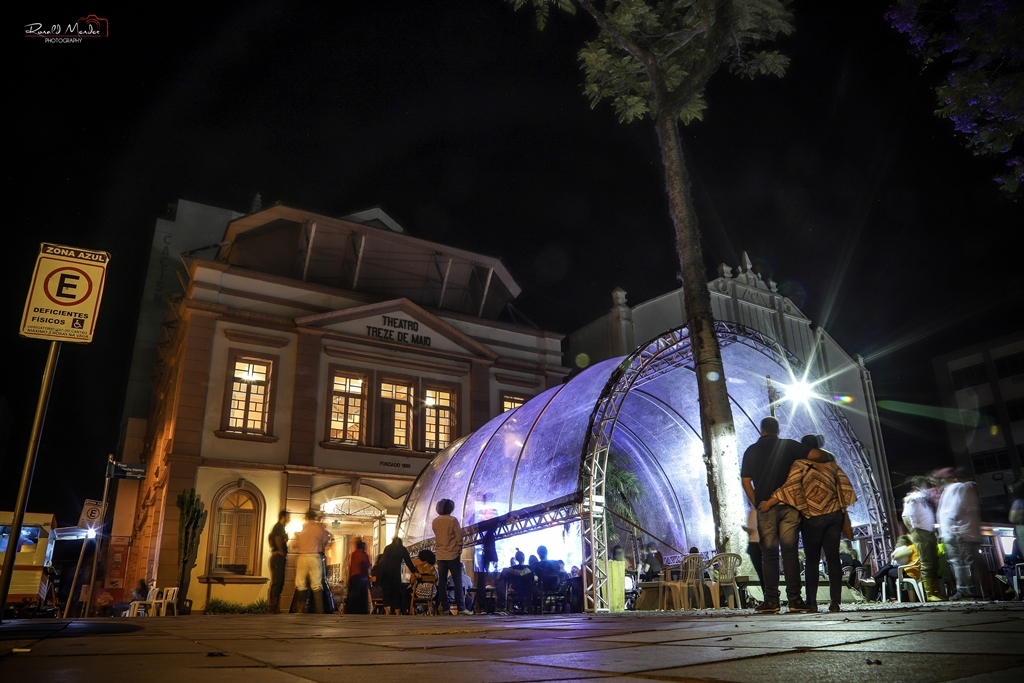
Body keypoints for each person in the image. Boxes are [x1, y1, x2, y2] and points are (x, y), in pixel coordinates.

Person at [764, 435, 855, 613]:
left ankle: (811, 602)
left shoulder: (801, 465)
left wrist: (767, 503)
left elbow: (788, 489)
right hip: (835, 515)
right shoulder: (831, 464)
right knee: (833, 559)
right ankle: (835, 602)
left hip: (813, 518)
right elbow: (845, 488)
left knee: (812, 560)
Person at [740, 416, 818, 614]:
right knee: (790, 552)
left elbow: (746, 480)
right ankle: (795, 600)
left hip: (766, 506)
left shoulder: (751, 450)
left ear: (761, 430)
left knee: (769, 554)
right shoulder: (789, 446)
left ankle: (772, 600)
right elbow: (814, 455)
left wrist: (756, 502)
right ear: (778, 430)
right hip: (790, 505)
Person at [936, 468, 983, 600]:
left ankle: (965, 591)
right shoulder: (969, 488)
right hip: (969, 531)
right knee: (972, 563)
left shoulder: (955, 488)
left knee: (959, 563)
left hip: (957, 532)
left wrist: (950, 529)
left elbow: (954, 510)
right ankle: (979, 591)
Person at [902, 476, 944, 601]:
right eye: (923, 485)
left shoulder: (924, 499)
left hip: (929, 532)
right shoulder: (912, 499)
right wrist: (914, 531)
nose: (926, 488)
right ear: (916, 487)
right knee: (927, 562)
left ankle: (936, 591)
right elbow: (905, 516)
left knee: (934, 563)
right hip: (920, 532)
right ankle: (930, 593)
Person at [431, 498, 470, 615]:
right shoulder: (453, 520)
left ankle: (445, 607)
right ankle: (461, 608)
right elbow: (459, 536)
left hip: (440, 555)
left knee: (442, 582)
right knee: (457, 581)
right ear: (451, 508)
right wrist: (459, 546)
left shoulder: (435, 521)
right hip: (453, 554)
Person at [292, 510, 331, 614]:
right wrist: (323, 546)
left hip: (302, 557)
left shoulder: (302, 529)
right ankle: (319, 611)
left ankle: (300, 609)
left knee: (300, 584)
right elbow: (327, 538)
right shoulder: (319, 528)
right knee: (316, 585)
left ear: (306, 518)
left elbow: (294, 546)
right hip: (315, 556)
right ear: (315, 517)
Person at [377, 536, 417, 615]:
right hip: (394, 572)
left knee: (386, 593)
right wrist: (415, 572)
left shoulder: (387, 548)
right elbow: (408, 562)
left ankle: (387, 612)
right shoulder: (402, 549)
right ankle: (397, 612)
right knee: (396, 592)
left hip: (383, 572)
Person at [268, 510, 290, 613]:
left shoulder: (278, 528)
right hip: (278, 558)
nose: (289, 519)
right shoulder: (279, 527)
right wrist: (280, 550)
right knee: (277, 582)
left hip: (276, 557)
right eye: (288, 517)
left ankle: (274, 607)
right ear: (284, 517)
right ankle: (273, 607)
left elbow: (271, 539)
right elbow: (276, 538)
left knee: (278, 582)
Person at [474, 521, 499, 614]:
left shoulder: (482, 533)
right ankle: (483, 607)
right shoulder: (490, 535)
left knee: (481, 583)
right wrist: (495, 559)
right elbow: (491, 549)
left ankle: (481, 607)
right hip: (485, 561)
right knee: (482, 583)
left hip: (481, 562)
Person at [345, 540, 372, 613]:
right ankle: (362, 611)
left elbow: (350, 567)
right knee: (362, 597)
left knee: (354, 596)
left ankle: (352, 610)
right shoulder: (365, 555)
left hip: (354, 577)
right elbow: (368, 566)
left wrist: (347, 580)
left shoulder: (352, 555)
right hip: (363, 578)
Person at [743, 507, 765, 590]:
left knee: (762, 574)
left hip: (757, 544)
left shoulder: (754, 512)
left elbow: (752, 530)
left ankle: (768, 597)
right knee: (764, 574)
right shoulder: (753, 512)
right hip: (758, 544)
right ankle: (769, 597)